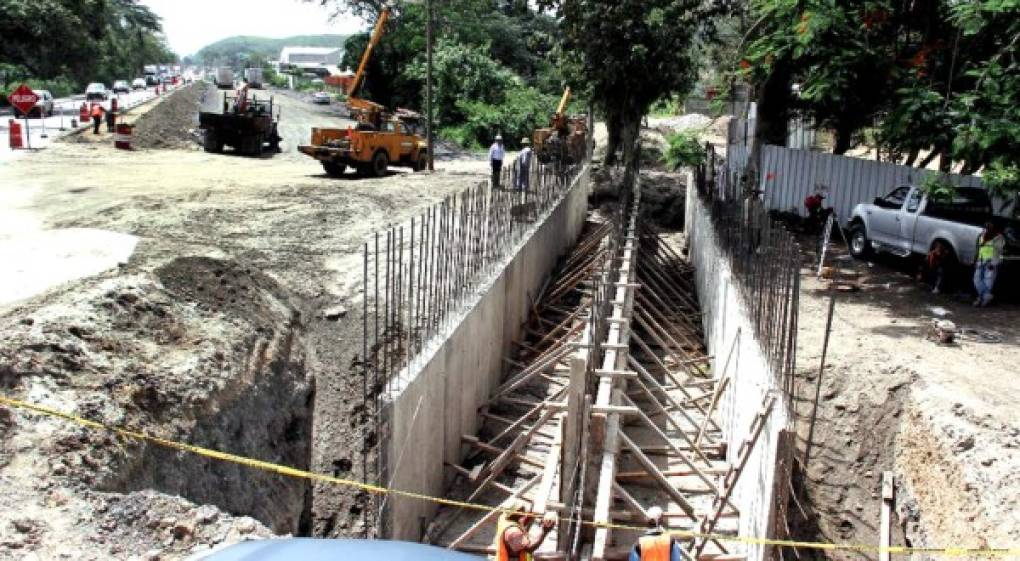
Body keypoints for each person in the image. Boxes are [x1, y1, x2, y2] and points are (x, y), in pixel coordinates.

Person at [973, 221, 1004, 307]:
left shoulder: (998, 237)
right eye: (985, 227)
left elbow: (999, 252)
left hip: (990, 262)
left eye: (989, 227)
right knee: (976, 280)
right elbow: (978, 248)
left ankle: (981, 298)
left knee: (988, 281)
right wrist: (975, 260)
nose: (986, 229)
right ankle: (987, 296)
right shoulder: (981, 235)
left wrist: (994, 263)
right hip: (981, 260)